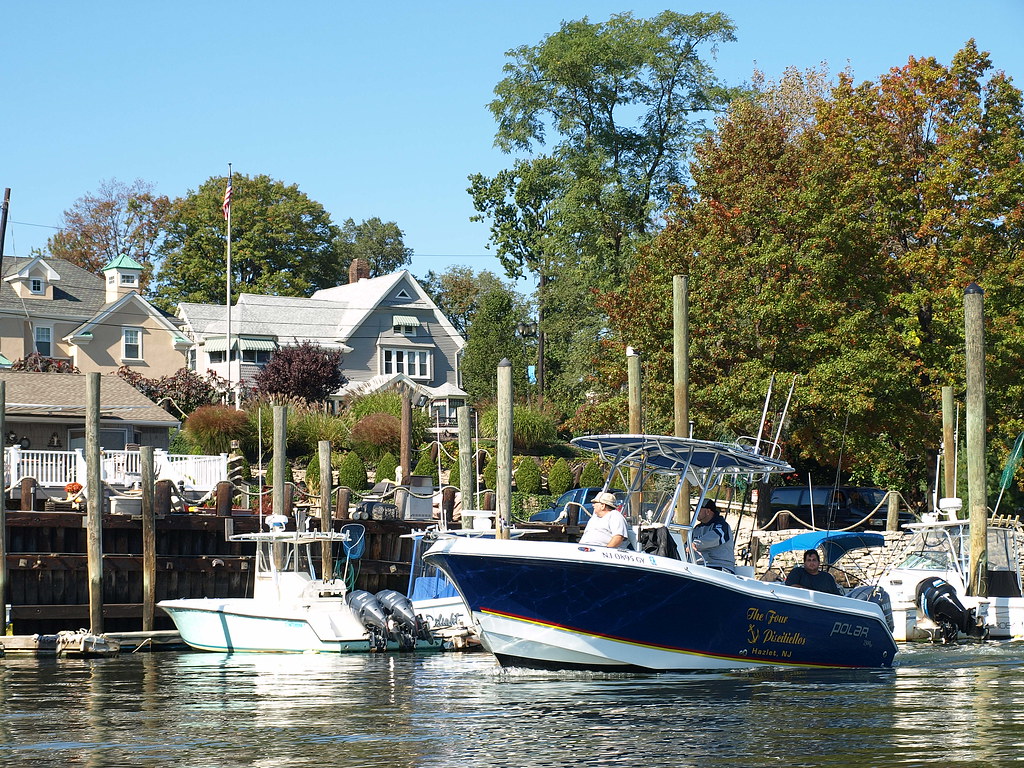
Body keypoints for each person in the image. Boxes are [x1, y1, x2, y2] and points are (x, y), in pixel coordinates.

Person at [688, 499, 735, 572]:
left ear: (708, 511)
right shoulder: (697, 529)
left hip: (720, 567)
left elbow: (714, 537)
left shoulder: (722, 526)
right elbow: (686, 545)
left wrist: (695, 544)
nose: (695, 512)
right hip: (701, 567)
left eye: (698, 509)